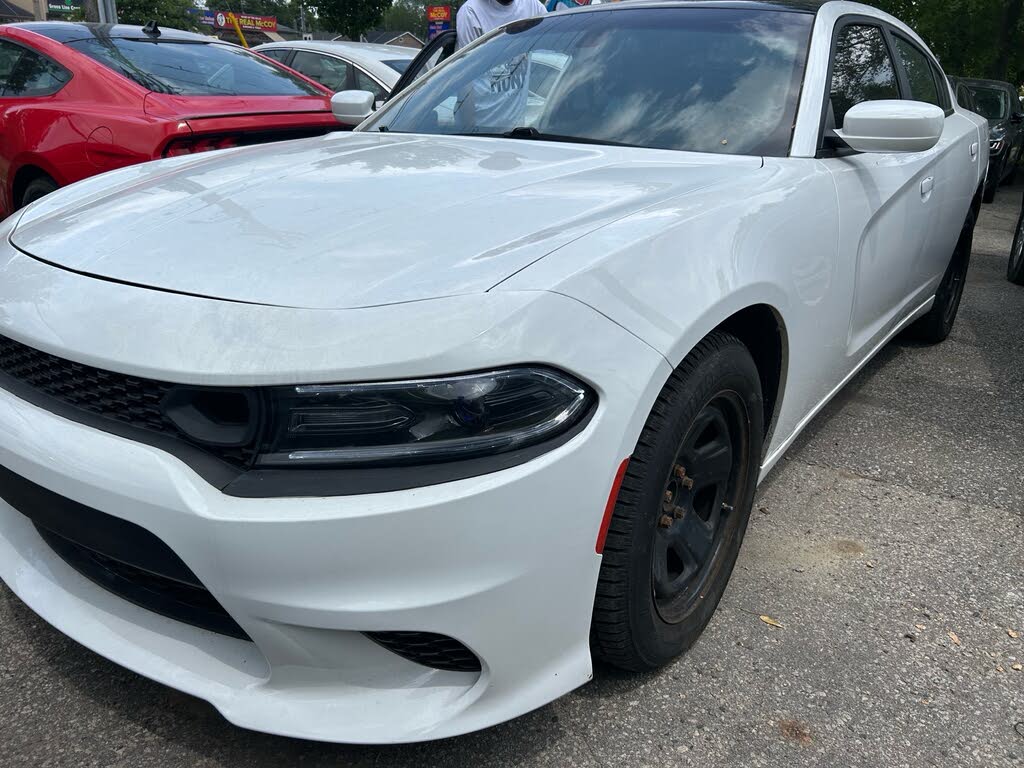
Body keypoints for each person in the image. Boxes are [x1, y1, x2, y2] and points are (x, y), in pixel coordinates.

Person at [456, 0, 547, 50]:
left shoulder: (534, 6)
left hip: (535, 82)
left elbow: (550, 47)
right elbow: (469, 66)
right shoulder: (470, 12)